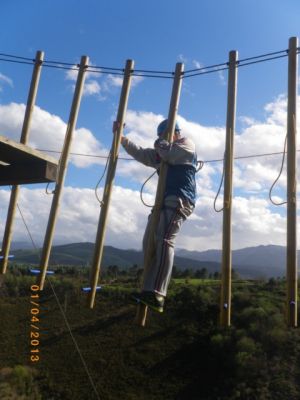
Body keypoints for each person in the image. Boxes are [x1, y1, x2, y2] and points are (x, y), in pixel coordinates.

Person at [119, 119, 197, 313]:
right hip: (162, 202)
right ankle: (147, 290)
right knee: (149, 243)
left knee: (164, 240)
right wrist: (122, 139)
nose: (161, 139)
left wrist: (160, 143)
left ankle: (158, 294)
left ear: (176, 133)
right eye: (160, 136)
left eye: (165, 135)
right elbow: (142, 154)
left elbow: (167, 152)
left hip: (179, 199)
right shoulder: (162, 151)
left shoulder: (186, 144)